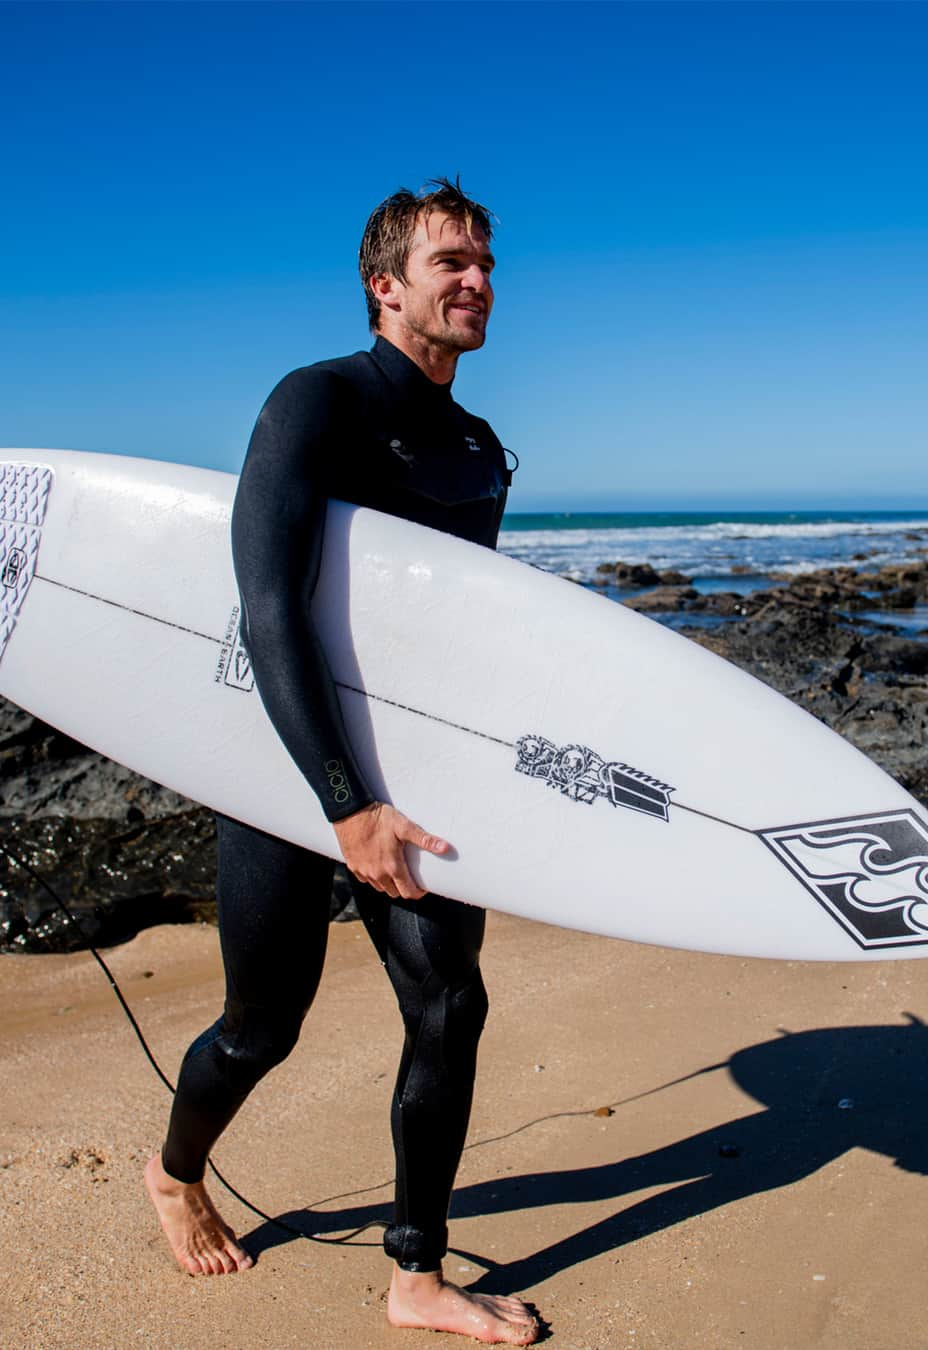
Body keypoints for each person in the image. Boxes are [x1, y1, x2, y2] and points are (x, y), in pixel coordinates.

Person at [144, 178, 540, 1346]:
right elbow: (269, 607)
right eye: (449, 263)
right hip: (290, 768)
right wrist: (344, 803)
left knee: (450, 1005)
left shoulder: (476, 445)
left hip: (414, 773)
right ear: (386, 286)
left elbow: (448, 633)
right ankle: (175, 1173)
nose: (476, 281)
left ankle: (415, 1274)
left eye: (484, 263)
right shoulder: (313, 403)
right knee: (263, 1027)